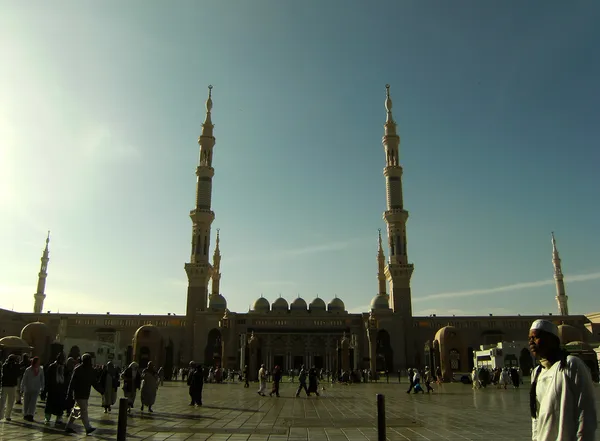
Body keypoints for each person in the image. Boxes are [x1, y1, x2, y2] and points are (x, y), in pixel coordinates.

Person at [529, 319, 597, 441]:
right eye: (530, 338)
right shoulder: (537, 373)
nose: (531, 342)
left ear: (552, 340)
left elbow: (585, 412)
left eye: (535, 337)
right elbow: (536, 416)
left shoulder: (570, 365)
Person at [64, 353, 98, 435]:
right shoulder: (79, 369)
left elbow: (94, 382)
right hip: (79, 394)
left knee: (76, 411)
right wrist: (69, 394)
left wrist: (101, 390)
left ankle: (68, 426)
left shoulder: (88, 370)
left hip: (84, 394)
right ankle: (87, 428)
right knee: (84, 411)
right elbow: (72, 383)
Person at [43, 352, 67, 425]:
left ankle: (59, 418)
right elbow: (47, 379)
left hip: (61, 388)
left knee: (60, 405)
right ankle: (47, 417)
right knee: (50, 403)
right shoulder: (52, 367)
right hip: (53, 388)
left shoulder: (64, 367)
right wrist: (45, 390)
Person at [21, 356, 44, 422]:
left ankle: (31, 415)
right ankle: (26, 414)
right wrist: (22, 387)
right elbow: (24, 379)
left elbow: (42, 378)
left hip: (36, 388)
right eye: (37, 362)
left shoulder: (41, 369)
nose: (38, 363)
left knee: (33, 402)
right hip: (28, 388)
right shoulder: (28, 369)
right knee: (26, 402)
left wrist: (42, 386)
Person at [0, 354, 21, 421]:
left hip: (5, 385)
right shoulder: (15, 366)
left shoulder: (5, 365)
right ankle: (7, 416)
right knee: (10, 401)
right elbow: (18, 375)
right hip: (11, 385)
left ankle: (1, 415)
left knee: (3, 401)